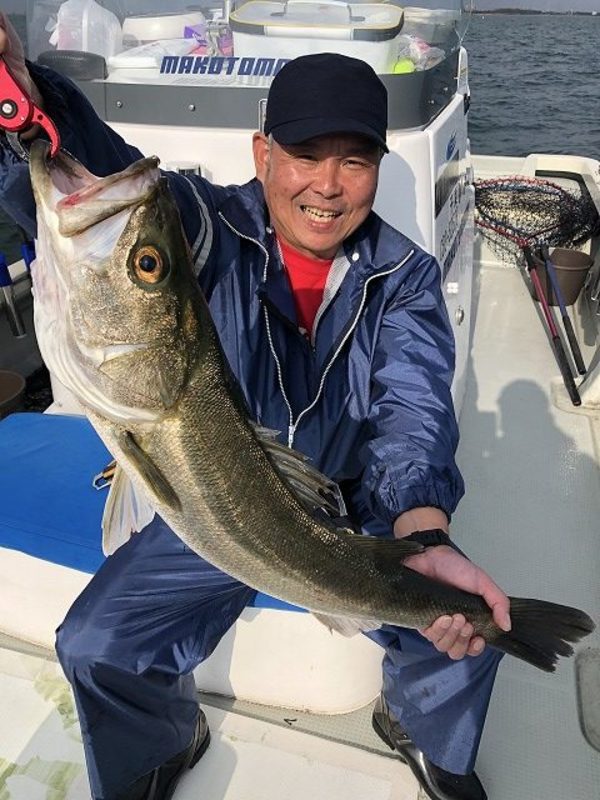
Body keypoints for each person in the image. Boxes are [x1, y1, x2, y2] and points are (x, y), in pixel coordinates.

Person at [0, 13, 511, 800]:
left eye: (355, 160)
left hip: (352, 507)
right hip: (211, 493)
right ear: (262, 154)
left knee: (467, 625)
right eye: (304, 156)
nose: (328, 184)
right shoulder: (209, 227)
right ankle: (161, 742)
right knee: (96, 644)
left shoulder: (401, 276)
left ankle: (423, 730)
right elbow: (106, 172)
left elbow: (413, 410)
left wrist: (423, 525)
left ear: (377, 166)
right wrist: (29, 94)